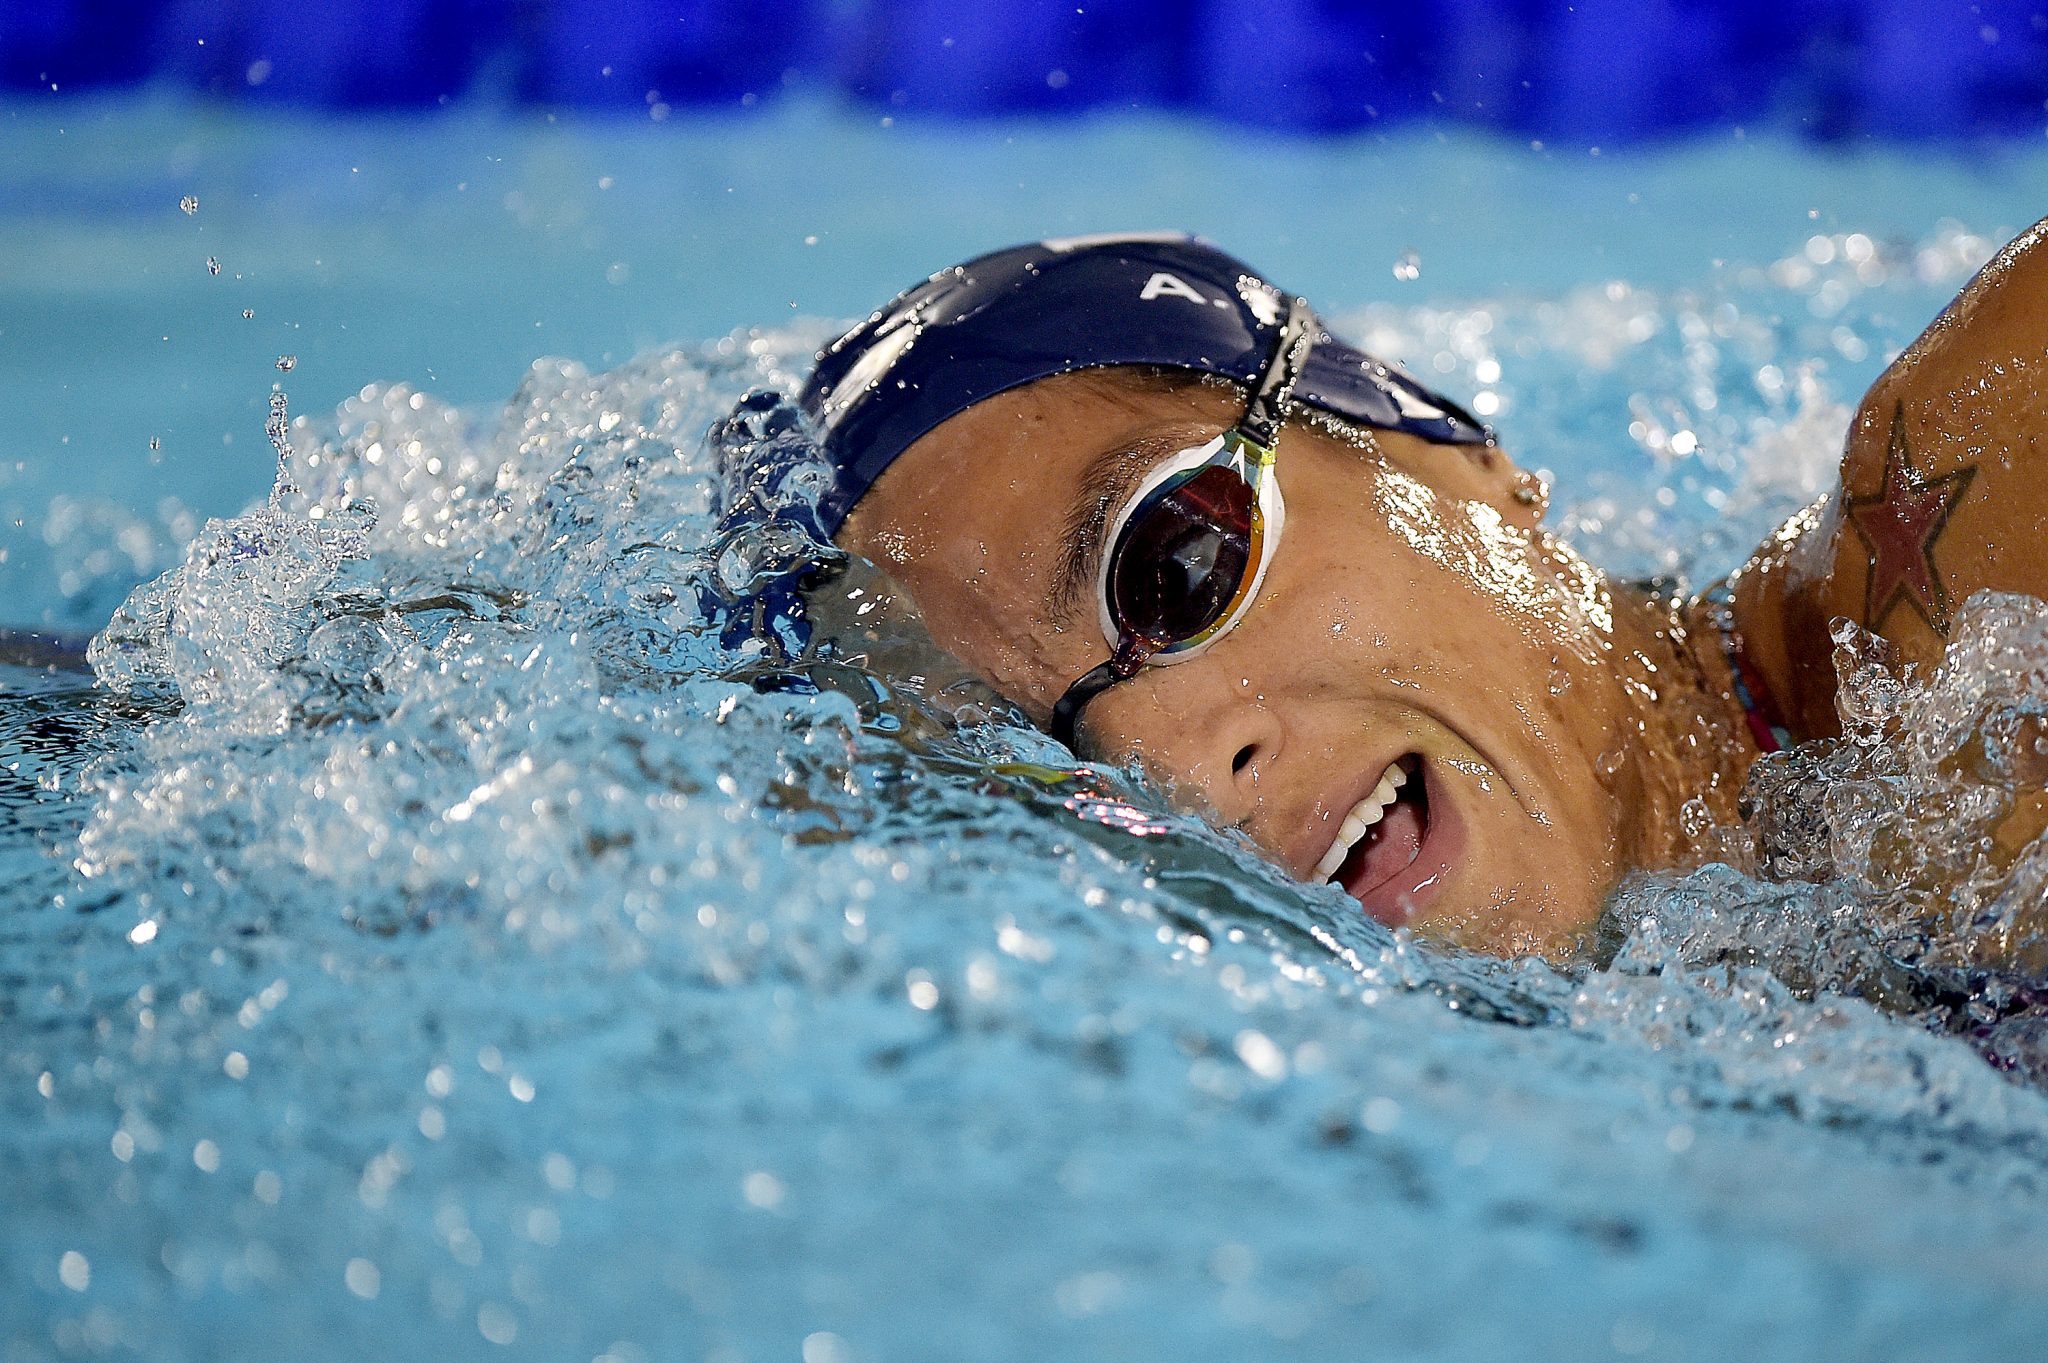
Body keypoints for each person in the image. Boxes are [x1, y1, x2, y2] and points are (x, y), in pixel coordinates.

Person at [797, 224, 2048, 960]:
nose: (1168, 769)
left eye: (1176, 565)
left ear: (1439, 449)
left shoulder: (1990, 498)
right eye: (1037, 756)